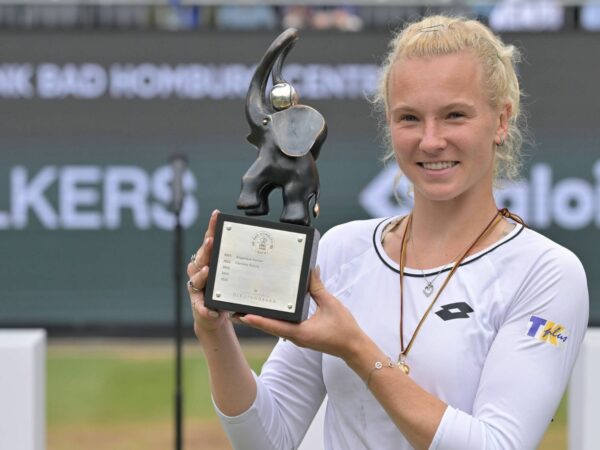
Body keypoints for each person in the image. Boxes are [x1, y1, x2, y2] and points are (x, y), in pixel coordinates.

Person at [187, 15, 589, 450]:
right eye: (409, 118)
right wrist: (214, 331)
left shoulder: (546, 272)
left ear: (501, 120)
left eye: (454, 115)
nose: (430, 141)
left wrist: (358, 351)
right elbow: (268, 440)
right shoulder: (342, 250)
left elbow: (496, 445)